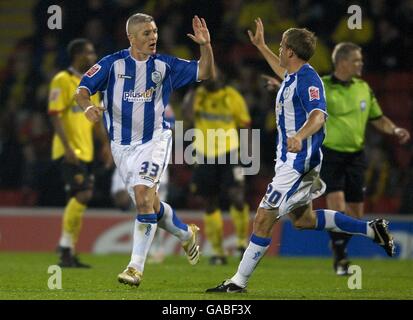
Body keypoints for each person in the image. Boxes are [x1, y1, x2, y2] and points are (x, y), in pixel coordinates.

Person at [206, 18, 395, 293]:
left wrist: (299, 136)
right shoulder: (294, 76)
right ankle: (372, 230)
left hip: (298, 161)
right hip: (291, 160)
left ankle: (238, 282)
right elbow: (282, 72)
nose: (279, 50)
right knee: (304, 220)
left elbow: (318, 115)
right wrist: (260, 47)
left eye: (281, 46)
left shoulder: (309, 79)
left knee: (262, 217)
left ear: (291, 52)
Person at [75, 13, 215, 287]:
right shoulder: (112, 64)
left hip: (155, 140)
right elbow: (82, 89)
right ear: (131, 37)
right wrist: (88, 107)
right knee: (149, 204)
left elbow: (205, 72)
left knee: (142, 197)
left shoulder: (165, 65)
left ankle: (135, 268)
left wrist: (205, 46)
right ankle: (186, 235)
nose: (153, 38)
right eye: (147, 34)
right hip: (121, 147)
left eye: (154, 32)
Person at [320, 42, 410, 275]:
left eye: (361, 60)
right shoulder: (323, 85)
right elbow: (302, 100)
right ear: (342, 62)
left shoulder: (364, 88)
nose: (361, 64)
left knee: (356, 214)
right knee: (337, 208)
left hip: (356, 157)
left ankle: (338, 245)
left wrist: (395, 129)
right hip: (330, 154)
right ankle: (340, 258)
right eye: (356, 60)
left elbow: (378, 118)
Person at [48, 38, 112, 268]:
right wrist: (66, 148)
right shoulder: (62, 80)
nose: (93, 57)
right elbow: (54, 114)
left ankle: (68, 254)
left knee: (77, 200)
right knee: (84, 193)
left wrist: (105, 145)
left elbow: (95, 121)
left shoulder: (89, 86)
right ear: (77, 55)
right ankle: (65, 247)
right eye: (89, 52)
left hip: (86, 152)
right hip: (68, 151)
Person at [183, 69, 251, 265]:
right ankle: (218, 251)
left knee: (237, 196)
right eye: (207, 75)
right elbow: (187, 117)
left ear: (222, 77)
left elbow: (245, 124)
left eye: (214, 75)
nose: (210, 78)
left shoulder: (232, 96)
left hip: (229, 153)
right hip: (204, 156)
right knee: (210, 203)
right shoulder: (198, 95)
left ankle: (241, 242)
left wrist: (247, 155)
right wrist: (194, 90)